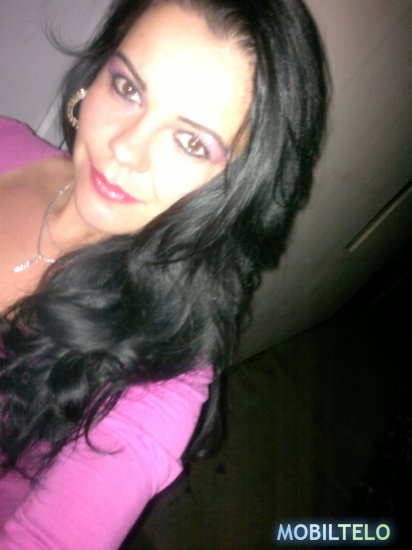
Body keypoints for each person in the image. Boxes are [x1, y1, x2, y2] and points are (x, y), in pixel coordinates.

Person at [0, 0, 328, 547]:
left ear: (238, 191)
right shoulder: (6, 139)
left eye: (192, 141)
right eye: (128, 88)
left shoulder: (160, 377)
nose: (125, 149)